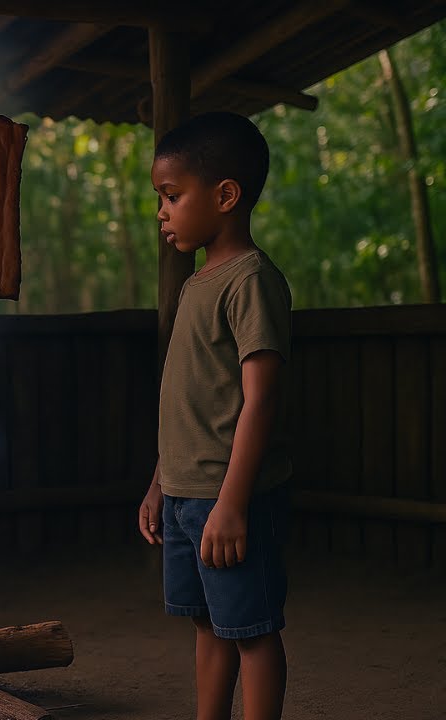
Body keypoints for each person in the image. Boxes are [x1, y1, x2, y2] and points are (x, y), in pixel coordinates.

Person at [137, 113, 292, 720]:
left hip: (232, 496)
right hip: (184, 494)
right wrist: (159, 484)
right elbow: (188, 402)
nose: (162, 212)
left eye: (172, 196)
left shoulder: (250, 281)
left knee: (250, 630)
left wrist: (232, 502)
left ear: (225, 196)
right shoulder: (196, 283)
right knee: (207, 625)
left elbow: (262, 399)